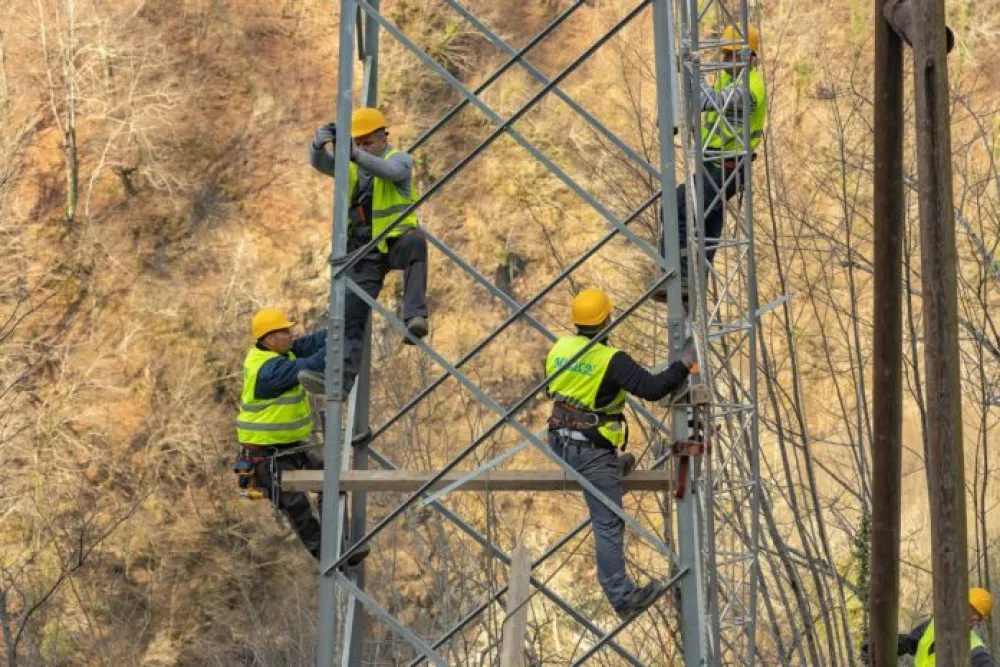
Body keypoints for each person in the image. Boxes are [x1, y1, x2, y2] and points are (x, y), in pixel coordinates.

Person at [545, 288, 698, 619]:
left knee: (608, 471)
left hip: (559, 440)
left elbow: (550, 388)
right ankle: (621, 595)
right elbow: (654, 389)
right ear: (607, 320)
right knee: (608, 520)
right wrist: (685, 364)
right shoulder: (611, 360)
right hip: (590, 451)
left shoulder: (559, 348)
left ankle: (611, 469)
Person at [300, 107, 428, 396]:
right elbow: (323, 164)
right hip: (362, 250)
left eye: (367, 142)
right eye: (357, 143)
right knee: (349, 314)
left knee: (416, 244)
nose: (362, 148)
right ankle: (340, 381)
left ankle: (415, 316)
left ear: (383, 137)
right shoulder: (354, 167)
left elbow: (392, 171)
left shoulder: (399, 159)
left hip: (393, 241)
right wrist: (318, 145)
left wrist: (355, 154)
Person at [235, 308, 369, 566]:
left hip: (288, 449)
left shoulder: (280, 353)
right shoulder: (270, 371)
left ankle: (341, 545)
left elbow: (311, 343)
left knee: (331, 479)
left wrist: (343, 328)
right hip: (266, 458)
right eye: (284, 331)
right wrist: (341, 342)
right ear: (268, 338)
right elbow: (314, 363)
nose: (290, 334)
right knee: (298, 509)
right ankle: (331, 558)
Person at [652, 25, 767, 306]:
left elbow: (704, 102)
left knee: (678, 206)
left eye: (731, 55)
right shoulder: (730, 82)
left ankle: (680, 278)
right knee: (706, 218)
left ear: (750, 57)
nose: (726, 60)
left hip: (728, 167)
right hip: (718, 165)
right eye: (725, 54)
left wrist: (693, 68)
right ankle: (693, 280)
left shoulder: (748, 89)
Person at [860, 587, 994, 666]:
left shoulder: (977, 653)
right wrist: (878, 648)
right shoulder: (933, 624)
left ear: (977, 621)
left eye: (973, 613)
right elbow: (909, 643)